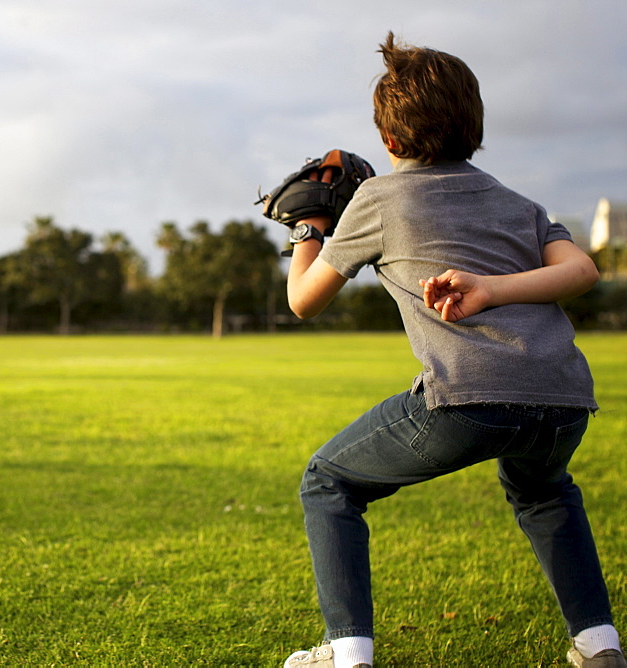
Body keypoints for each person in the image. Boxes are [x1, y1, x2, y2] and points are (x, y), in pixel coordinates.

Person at [281, 33, 623, 668]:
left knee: (328, 481)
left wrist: (308, 229)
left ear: (388, 139)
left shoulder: (377, 198)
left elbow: (304, 300)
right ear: (476, 126)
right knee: (546, 493)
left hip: (467, 397)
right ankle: (599, 646)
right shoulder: (521, 205)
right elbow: (582, 271)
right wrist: (494, 288)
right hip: (563, 399)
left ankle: (347, 653)